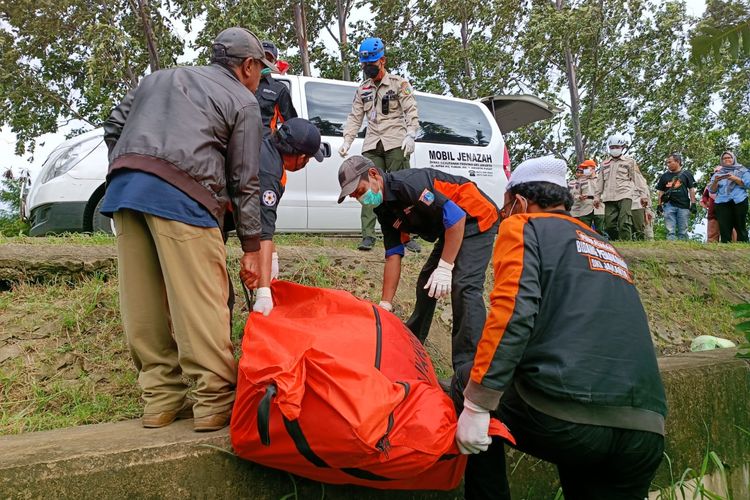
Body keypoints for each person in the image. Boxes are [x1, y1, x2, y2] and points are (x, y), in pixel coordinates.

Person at [455, 156, 667, 500]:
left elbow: (512, 313)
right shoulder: (607, 247)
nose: (505, 216)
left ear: (520, 202)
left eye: (506, 208)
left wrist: (478, 404)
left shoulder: (524, 226)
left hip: (567, 422)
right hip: (646, 429)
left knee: (465, 379)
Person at [100, 27, 273, 432]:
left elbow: (113, 126)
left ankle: (160, 400)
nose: (259, 79)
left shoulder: (156, 79)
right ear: (247, 65)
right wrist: (251, 245)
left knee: (142, 303)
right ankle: (213, 402)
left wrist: (128, 163)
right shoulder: (241, 99)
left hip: (125, 192)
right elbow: (246, 179)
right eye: (259, 71)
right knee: (201, 302)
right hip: (184, 197)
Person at [336, 155, 499, 401]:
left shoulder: (409, 185)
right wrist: (385, 304)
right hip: (451, 228)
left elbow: (456, 217)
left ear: (373, 175)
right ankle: (411, 346)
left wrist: (445, 267)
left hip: (475, 218)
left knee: (464, 287)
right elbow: (393, 255)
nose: (360, 198)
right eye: (354, 197)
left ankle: (469, 376)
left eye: (359, 191)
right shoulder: (384, 208)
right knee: (426, 283)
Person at [339, 37, 421, 252]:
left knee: (402, 189)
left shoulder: (399, 84)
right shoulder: (363, 89)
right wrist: (347, 140)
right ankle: (368, 235)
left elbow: (411, 110)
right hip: (372, 142)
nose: (368, 69)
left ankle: (406, 235)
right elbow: (355, 116)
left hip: (396, 141)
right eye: (364, 65)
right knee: (366, 188)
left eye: (372, 65)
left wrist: (411, 134)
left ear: (382, 60)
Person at [252, 118, 324, 316]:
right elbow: (264, 231)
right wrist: (264, 291)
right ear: (300, 156)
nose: (305, 163)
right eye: (307, 159)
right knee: (218, 298)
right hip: (199, 217)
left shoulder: (266, 148)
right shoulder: (269, 174)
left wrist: (270, 257)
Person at [594, 134, 646, 240]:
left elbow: (638, 179)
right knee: (609, 225)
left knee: (624, 222)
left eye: (617, 147)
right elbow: (600, 182)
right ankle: (617, 242)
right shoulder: (605, 164)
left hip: (625, 195)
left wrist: (643, 195)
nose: (614, 149)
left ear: (622, 147)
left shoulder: (629, 162)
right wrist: (597, 196)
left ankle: (626, 244)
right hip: (608, 197)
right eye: (612, 147)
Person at [256, 40, 297, 136]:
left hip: (265, 145)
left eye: (269, 60)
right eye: (262, 58)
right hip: (239, 143)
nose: (265, 63)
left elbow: (291, 124)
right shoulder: (242, 83)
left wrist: (277, 140)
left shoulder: (279, 89)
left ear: (274, 62)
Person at [707, 151, 750, 243]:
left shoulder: (742, 170)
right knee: (724, 227)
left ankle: (743, 249)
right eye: (724, 158)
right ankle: (726, 249)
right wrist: (715, 182)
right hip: (722, 202)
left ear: (733, 158)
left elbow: (748, 184)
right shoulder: (718, 173)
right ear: (722, 160)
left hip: (739, 200)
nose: (727, 160)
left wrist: (735, 178)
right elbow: (711, 190)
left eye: (729, 157)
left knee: (740, 226)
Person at [655, 153, 696, 241]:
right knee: (670, 230)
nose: (668, 164)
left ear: (677, 161)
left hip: (683, 205)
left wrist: (693, 203)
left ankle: (683, 247)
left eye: (670, 162)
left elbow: (691, 189)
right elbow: (661, 191)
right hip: (669, 204)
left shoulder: (686, 174)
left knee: (683, 230)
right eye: (667, 162)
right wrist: (659, 205)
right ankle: (671, 245)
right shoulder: (664, 176)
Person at [568, 159, 605, 235]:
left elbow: (606, 192)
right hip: (585, 206)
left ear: (593, 168)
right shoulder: (580, 181)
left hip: (599, 206)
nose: (584, 170)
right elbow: (575, 194)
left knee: (600, 229)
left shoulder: (600, 179)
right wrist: (579, 197)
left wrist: (599, 199)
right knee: (584, 229)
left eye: (586, 168)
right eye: (583, 168)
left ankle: (602, 244)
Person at [631, 167, 652, 240]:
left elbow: (647, 196)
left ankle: (642, 243)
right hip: (626, 207)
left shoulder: (641, 181)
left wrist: (647, 210)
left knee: (639, 229)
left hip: (638, 206)